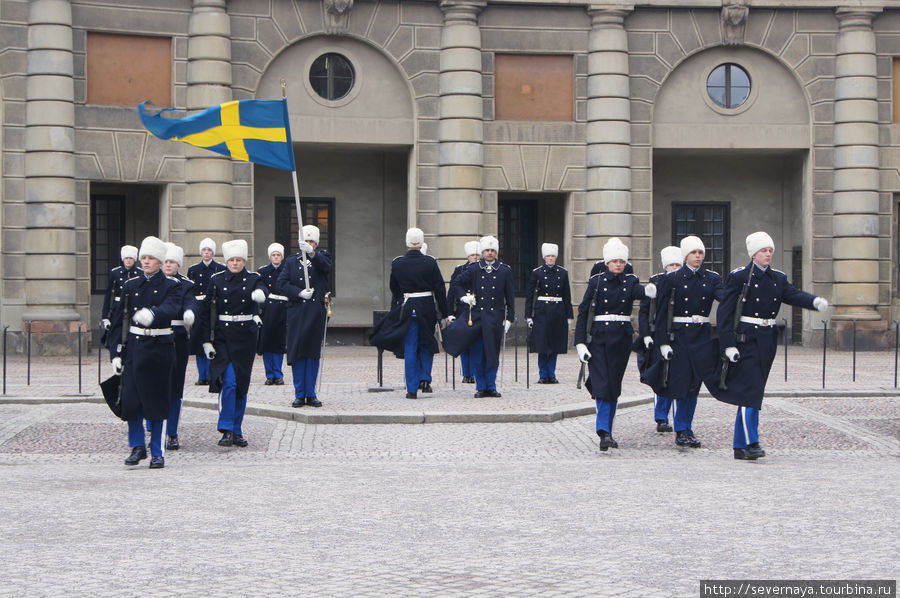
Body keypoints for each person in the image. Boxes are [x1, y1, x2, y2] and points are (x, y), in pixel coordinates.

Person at [708, 231, 828, 460]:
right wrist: (728, 345)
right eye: (764, 250)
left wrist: (813, 302)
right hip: (747, 338)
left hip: (767, 339)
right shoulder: (740, 277)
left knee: (753, 391)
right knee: (749, 391)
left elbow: (793, 295)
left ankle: (740, 446)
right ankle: (751, 442)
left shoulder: (778, 278)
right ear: (754, 254)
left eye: (770, 250)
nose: (768, 254)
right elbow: (725, 313)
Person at [574, 238, 656, 451]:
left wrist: (650, 290)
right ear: (607, 262)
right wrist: (580, 342)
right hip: (599, 337)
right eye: (614, 261)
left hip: (620, 337)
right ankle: (603, 431)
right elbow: (584, 312)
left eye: (621, 261)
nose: (618, 264)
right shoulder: (597, 281)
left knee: (613, 385)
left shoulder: (630, 280)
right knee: (602, 384)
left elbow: (638, 292)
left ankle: (608, 430)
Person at [108, 236, 182, 469]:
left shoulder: (172, 285)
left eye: (151, 258)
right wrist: (115, 353)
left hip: (160, 347)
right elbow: (118, 319)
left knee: (158, 401)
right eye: (144, 258)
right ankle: (137, 446)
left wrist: (153, 314)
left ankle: (158, 451)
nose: (146, 262)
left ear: (160, 261)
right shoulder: (131, 285)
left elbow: (173, 307)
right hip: (135, 348)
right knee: (132, 400)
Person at [652, 236, 725, 449]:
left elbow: (724, 297)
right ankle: (682, 430)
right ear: (686, 256)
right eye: (694, 253)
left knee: (695, 385)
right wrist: (663, 342)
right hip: (680, 336)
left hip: (701, 335)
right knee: (682, 383)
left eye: (701, 253)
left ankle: (687, 427)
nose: (698, 256)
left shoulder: (711, 278)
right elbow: (662, 313)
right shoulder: (672, 279)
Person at [202, 239, 268, 447]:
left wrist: (260, 296)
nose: (235, 264)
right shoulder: (217, 279)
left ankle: (237, 429)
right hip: (223, 336)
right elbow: (207, 311)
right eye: (232, 260)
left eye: (239, 260)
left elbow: (263, 290)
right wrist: (206, 340)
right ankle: (226, 428)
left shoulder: (253, 278)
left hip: (245, 337)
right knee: (228, 382)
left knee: (241, 385)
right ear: (227, 261)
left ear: (244, 261)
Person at [380, 228, 448, 399]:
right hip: (426, 306)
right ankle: (425, 378)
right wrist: (445, 312)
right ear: (421, 242)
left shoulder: (398, 263)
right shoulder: (430, 262)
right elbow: (439, 289)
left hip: (407, 306)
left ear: (407, 243)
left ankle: (411, 388)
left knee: (410, 347)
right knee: (426, 343)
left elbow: (394, 288)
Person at [444, 235, 515, 398]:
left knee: (492, 352)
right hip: (477, 317)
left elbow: (509, 297)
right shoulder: (474, 268)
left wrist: (509, 318)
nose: (489, 253)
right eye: (487, 250)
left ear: (496, 252)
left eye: (492, 250)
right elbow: (456, 284)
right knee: (477, 353)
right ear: (482, 252)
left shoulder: (504, 270)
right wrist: (464, 297)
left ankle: (491, 385)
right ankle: (481, 386)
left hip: (495, 317)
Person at [276, 225, 333, 408]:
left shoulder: (323, 257)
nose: (309, 244)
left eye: (311, 242)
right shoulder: (292, 262)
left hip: (315, 312)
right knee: (298, 353)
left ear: (316, 244)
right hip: (297, 312)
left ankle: (311, 393)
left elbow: (326, 267)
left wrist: (313, 255)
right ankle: (299, 393)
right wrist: (299, 292)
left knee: (312, 354)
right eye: (306, 242)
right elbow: (282, 284)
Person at [636, 245, 682, 433]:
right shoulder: (655, 282)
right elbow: (645, 312)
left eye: (677, 264)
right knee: (661, 376)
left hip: (679, 334)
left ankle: (679, 419)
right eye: (671, 265)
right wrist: (646, 334)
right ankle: (661, 416)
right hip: (658, 334)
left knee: (678, 378)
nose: (674, 268)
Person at [159, 243, 196, 451]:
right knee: (155, 386)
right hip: (155, 339)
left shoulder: (186, 284)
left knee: (175, 388)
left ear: (178, 264)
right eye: (165, 262)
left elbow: (190, 301)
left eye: (172, 262)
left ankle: (172, 432)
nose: (168, 265)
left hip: (177, 338)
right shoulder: (153, 283)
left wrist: (190, 312)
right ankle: (155, 426)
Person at [524, 243, 573, 384]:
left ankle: (551, 373)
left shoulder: (563, 273)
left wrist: (569, 315)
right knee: (542, 344)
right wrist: (528, 315)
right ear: (544, 257)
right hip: (542, 310)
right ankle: (542, 374)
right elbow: (530, 296)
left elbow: (567, 295)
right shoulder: (537, 272)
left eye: (553, 256)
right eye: (548, 256)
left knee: (554, 344)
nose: (550, 259)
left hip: (558, 310)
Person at [187, 238, 225, 385]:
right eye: (204, 250)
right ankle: (202, 375)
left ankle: (212, 374)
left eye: (209, 250)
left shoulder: (219, 268)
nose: (206, 253)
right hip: (198, 307)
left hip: (213, 308)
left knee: (212, 340)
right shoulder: (194, 270)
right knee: (198, 341)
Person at [448, 241, 481, 384]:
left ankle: (473, 373)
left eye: (477, 255)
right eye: (473, 255)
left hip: (478, 309)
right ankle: (466, 373)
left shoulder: (484, 269)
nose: (475, 257)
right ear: (468, 256)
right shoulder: (460, 269)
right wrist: (449, 312)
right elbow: (452, 292)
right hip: (463, 309)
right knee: (464, 344)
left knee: (475, 343)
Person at [100, 245, 139, 357]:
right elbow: (108, 295)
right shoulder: (115, 272)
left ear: (134, 260)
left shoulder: (139, 273)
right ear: (123, 259)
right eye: (126, 258)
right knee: (116, 333)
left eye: (131, 258)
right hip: (118, 307)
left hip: (132, 306)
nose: (128, 260)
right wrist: (105, 317)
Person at [257, 242, 287, 386]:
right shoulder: (262, 271)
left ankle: (278, 373)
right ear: (270, 257)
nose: (276, 257)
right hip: (268, 310)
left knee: (279, 343)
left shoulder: (287, 270)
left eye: (278, 255)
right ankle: (269, 374)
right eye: (274, 255)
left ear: (282, 257)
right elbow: (259, 286)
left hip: (282, 309)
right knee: (267, 343)